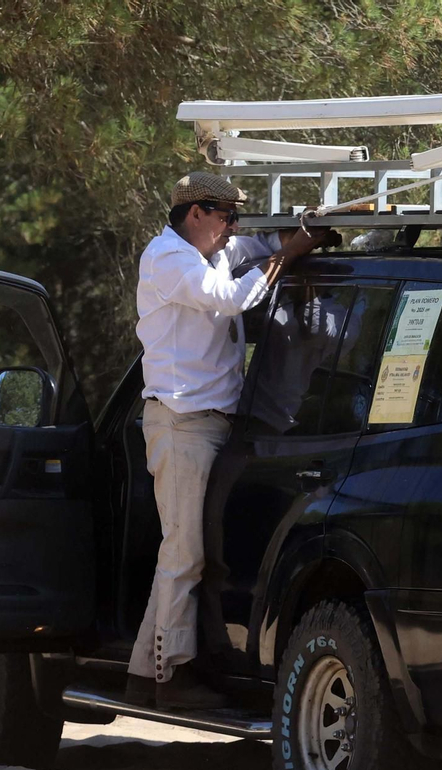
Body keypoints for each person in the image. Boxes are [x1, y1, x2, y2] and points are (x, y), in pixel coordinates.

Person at [127, 171, 332, 711]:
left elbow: (260, 243)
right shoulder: (169, 258)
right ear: (195, 212)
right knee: (184, 556)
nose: (232, 226)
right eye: (224, 214)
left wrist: (306, 229)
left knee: (183, 554)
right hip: (184, 423)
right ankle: (169, 677)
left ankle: (145, 673)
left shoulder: (209, 250)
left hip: (210, 423)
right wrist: (286, 255)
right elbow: (232, 297)